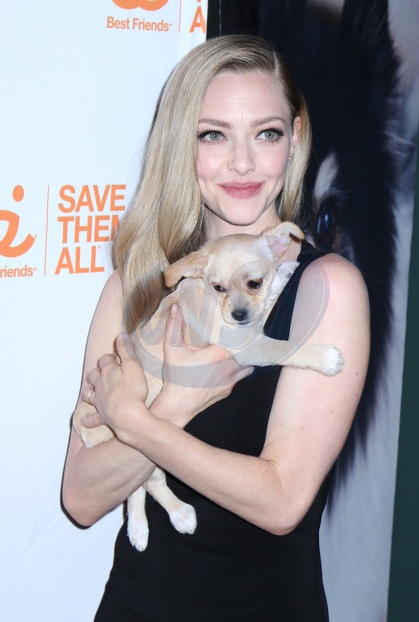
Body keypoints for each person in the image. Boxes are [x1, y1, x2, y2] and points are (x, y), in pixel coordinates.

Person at [62, 35, 370, 621]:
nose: (243, 163)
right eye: (213, 135)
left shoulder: (326, 288)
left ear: (295, 138)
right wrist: (176, 405)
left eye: (266, 134)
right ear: (181, 144)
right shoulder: (136, 285)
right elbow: (80, 497)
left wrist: (137, 422)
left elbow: (281, 501)